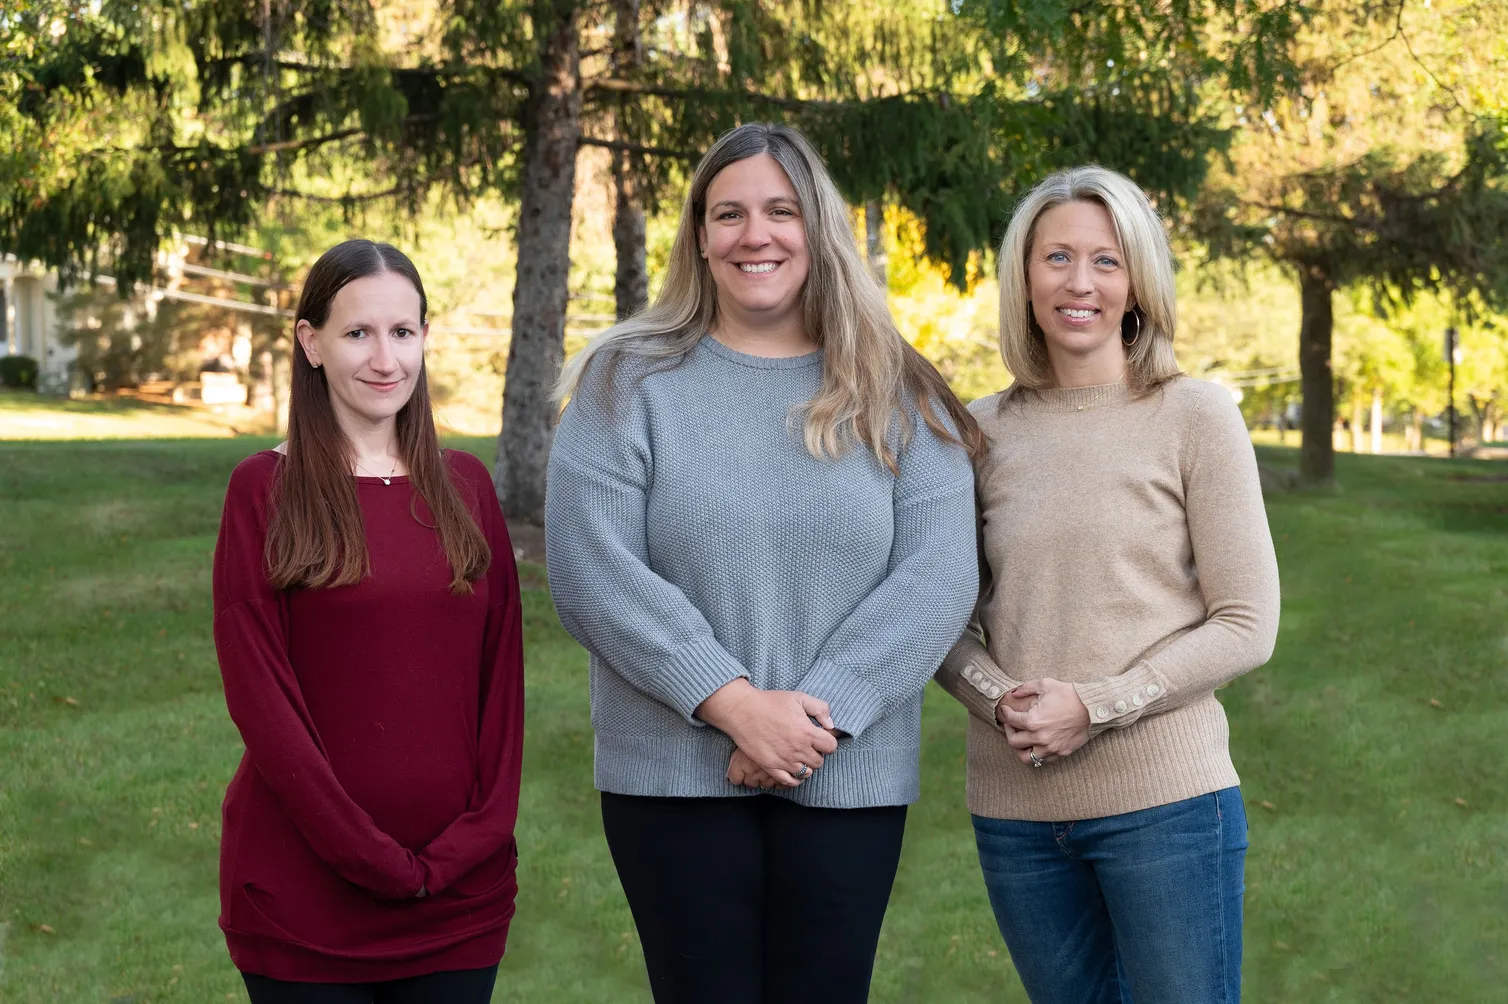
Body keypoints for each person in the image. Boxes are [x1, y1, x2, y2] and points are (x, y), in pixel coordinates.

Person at [544, 122, 984, 1004]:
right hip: (670, 777)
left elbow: (938, 580)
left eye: (781, 210)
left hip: (847, 777)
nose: (757, 235)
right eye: (729, 213)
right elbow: (592, 571)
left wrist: (813, 723)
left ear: (817, 229)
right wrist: (735, 706)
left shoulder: (899, 390)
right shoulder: (623, 382)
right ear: (699, 238)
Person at [934, 166, 1281, 1004]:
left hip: (1167, 807)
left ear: (1137, 285)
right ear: (1024, 276)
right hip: (1015, 816)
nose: (1079, 282)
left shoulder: (1194, 415)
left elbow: (1246, 621)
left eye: (1106, 260)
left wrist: (1097, 704)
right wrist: (1002, 700)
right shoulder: (975, 432)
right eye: (1057, 257)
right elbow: (939, 618)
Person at [211, 240, 524, 1003]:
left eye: (403, 332)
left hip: (460, 901)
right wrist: (373, 859)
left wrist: (468, 848)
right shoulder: (265, 490)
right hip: (304, 901)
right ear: (310, 342)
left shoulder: (466, 487)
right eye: (358, 334)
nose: (385, 359)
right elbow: (263, 704)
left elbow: (503, 693)